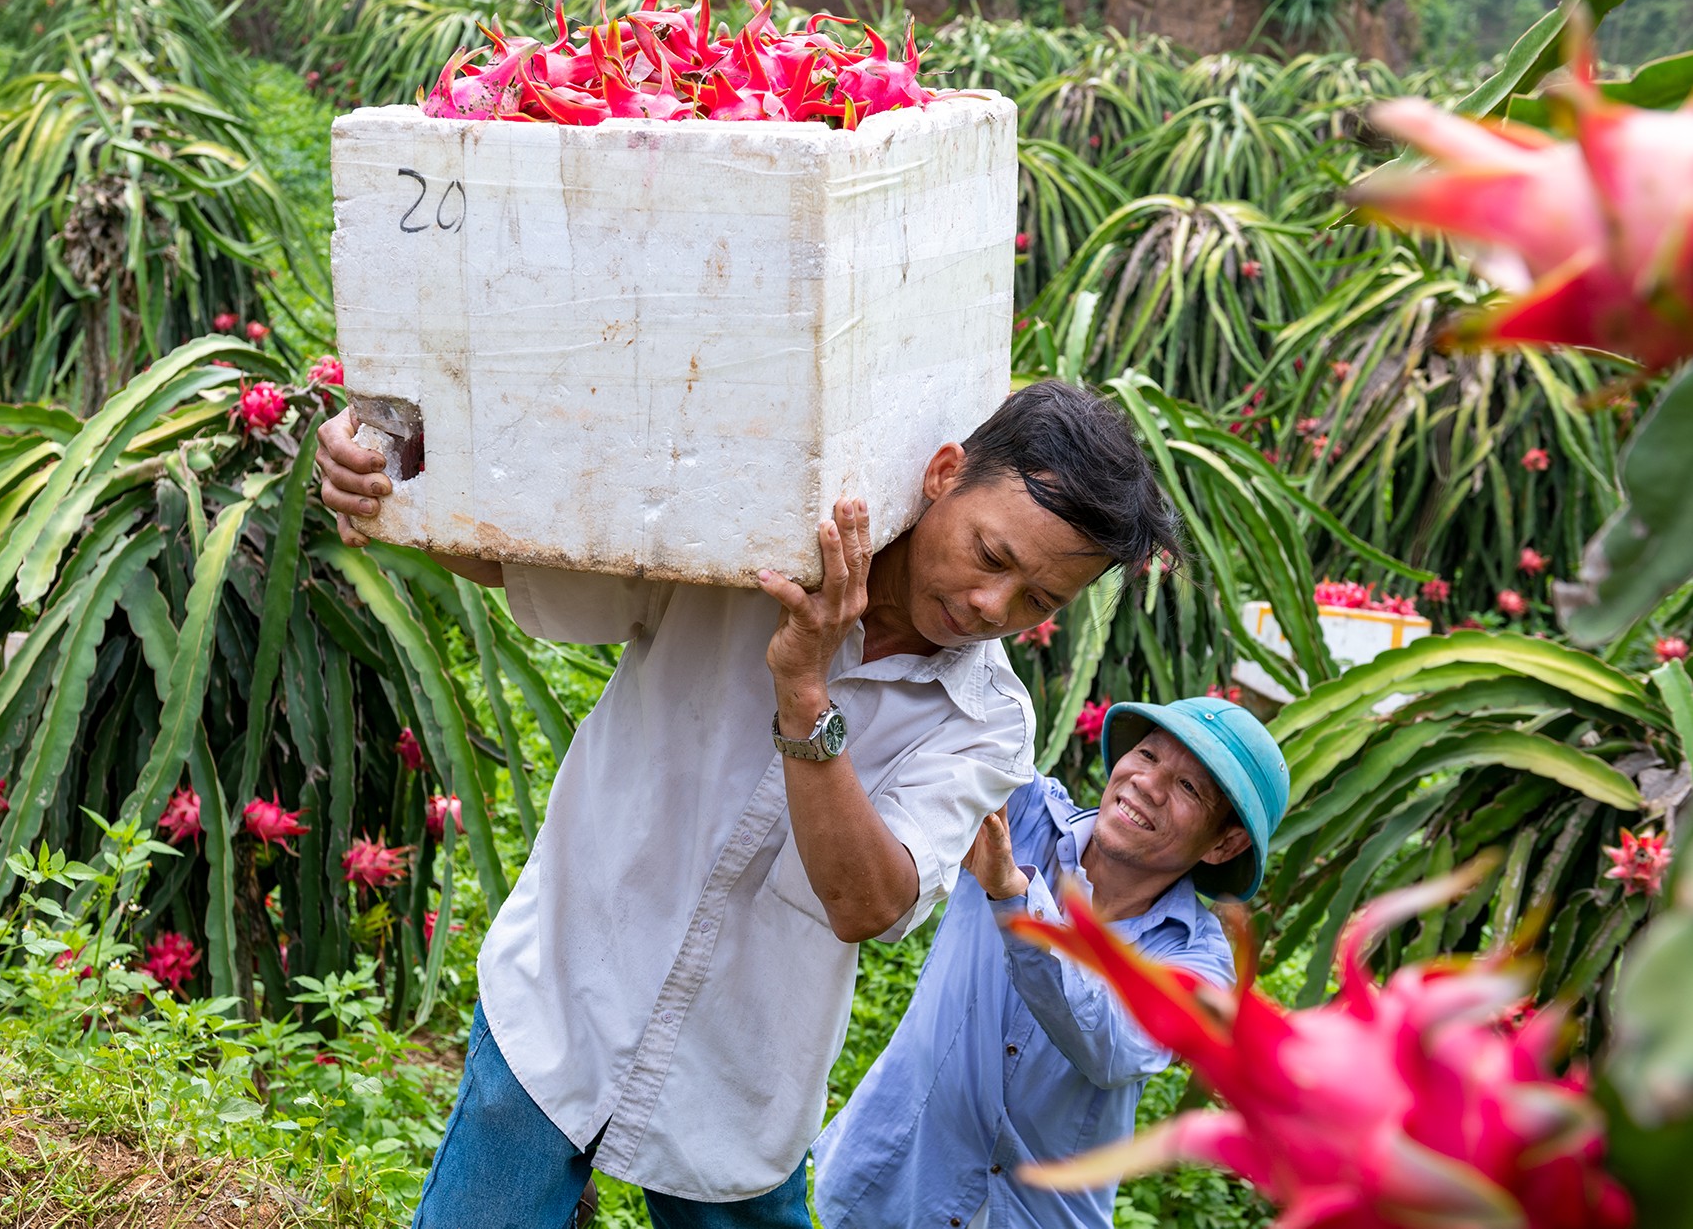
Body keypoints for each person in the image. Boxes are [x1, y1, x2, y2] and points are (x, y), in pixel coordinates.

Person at [315, 380, 1179, 1226]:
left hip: (741, 1087)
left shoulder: (985, 724)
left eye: (1038, 601)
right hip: (567, 997)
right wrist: (388, 482)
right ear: (944, 471)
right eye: (992, 557)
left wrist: (805, 695)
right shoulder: (747, 538)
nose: (992, 605)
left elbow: (869, 903)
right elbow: (513, 557)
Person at [811, 695, 1289, 1229]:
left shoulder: (1197, 964)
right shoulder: (1023, 809)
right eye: (1149, 756)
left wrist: (1016, 897)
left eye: (1188, 788)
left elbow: (1114, 1049)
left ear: (1225, 844)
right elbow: (955, 712)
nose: (1147, 785)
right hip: (888, 1192)